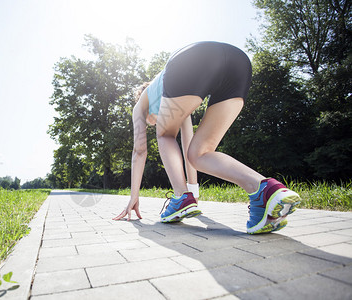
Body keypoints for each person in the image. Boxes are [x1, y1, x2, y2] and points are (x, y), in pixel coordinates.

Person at [113, 41, 301, 234]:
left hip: (189, 61)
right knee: (200, 152)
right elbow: (188, 143)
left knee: (164, 134)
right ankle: (265, 190)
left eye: (149, 121)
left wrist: (134, 196)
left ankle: (180, 198)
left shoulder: (141, 105)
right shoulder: (175, 100)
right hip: (237, 62)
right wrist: (192, 192)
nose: (150, 123)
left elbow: (139, 151)